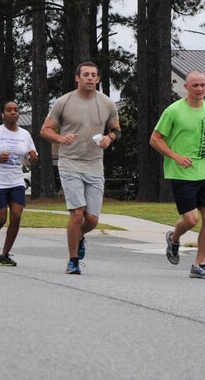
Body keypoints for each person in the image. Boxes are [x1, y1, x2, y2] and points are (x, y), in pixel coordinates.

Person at [150, 70, 205, 279]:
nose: (200, 89)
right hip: (180, 172)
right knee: (191, 220)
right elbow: (155, 139)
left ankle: (199, 264)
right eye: (195, 86)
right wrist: (175, 156)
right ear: (186, 88)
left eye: (202, 85)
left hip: (204, 170)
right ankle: (173, 237)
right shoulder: (173, 111)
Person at [40, 61, 120, 275]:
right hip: (70, 163)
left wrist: (109, 138)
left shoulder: (107, 103)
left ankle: (80, 235)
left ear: (98, 79)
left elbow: (116, 129)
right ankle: (73, 260)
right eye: (86, 74)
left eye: (94, 75)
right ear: (77, 78)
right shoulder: (63, 102)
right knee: (77, 213)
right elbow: (45, 130)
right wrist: (60, 138)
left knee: (92, 220)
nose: (90, 78)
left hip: (94, 164)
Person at [0, 101, 38, 266]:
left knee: (17, 215)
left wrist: (33, 158)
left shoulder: (25, 135)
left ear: (19, 113)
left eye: (16, 110)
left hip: (16, 181)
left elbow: (31, 158)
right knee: (0, 219)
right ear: (2, 113)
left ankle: (4, 255)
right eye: (9, 110)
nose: (13, 112)